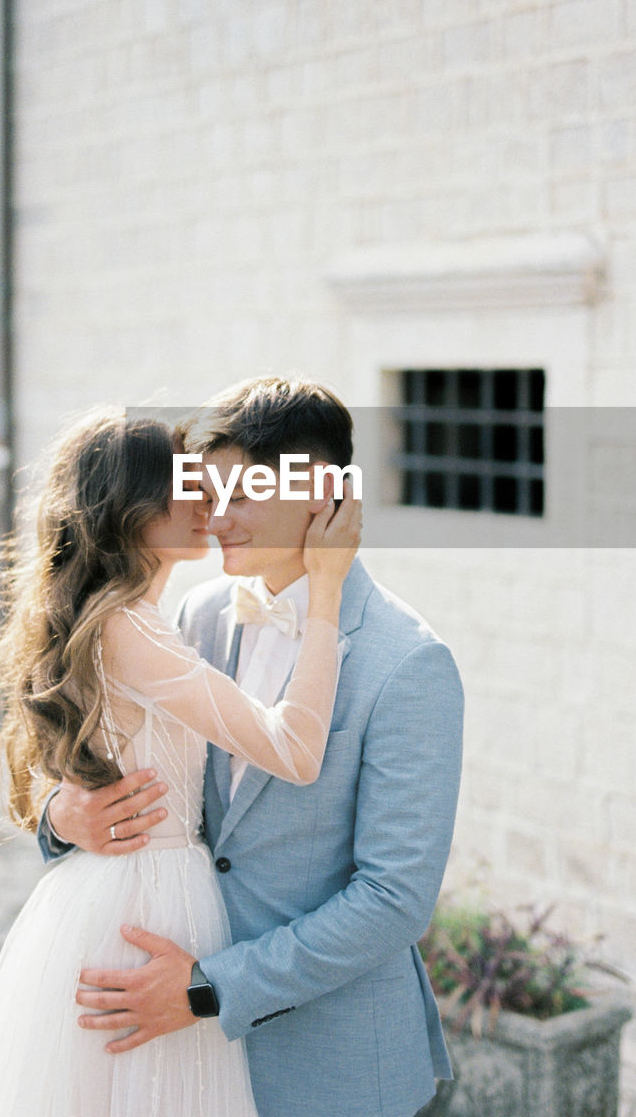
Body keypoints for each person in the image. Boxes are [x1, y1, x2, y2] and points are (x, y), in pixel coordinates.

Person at [42, 377, 465, 1117]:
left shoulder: (409, 664)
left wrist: (211, 988)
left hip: (333, 1066)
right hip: (184, 1063)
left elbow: (394, 899)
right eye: (209, 491)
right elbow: (122, 760)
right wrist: (61, 817)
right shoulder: (195, 615)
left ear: (323, 493)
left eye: (242, 494)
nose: (216, 516)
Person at [0, 407, 360, 1117]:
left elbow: (58, 764)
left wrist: (58, 806)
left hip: (112, 895)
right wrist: (328, 588)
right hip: (146, 903)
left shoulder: (131, 618)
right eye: (187, 487)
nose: (209, 503)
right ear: (131, 510)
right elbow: (294, 749)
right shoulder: (129, 628)